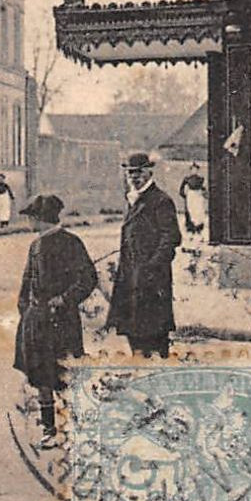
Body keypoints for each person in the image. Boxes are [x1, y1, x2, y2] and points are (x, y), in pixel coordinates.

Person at [12, 194, 98, 446]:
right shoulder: (35, 245)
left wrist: (64, 299)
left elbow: (87, 279)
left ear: (40, 219)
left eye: (31, 218)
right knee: (40, 375)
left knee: (64, 372)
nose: (29, 222)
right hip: (37, 321)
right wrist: (25, 310)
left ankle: (75, 427)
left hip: (62, 321)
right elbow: (27, 280)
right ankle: (49, 429)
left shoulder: (70, 243)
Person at [106, 152, 182, 358]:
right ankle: (141, 366)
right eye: (129, 173)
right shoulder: (133, 199)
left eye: (138, 172)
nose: (133, 177)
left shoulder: (160, 200)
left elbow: (171, 238)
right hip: (131, 276)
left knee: (154, 332)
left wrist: (151, 267)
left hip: (151, 278)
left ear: (149, 172)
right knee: (134, 330)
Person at [179, 162, 208, 242]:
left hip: (198, 197)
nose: (194, 171)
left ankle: (199, 232)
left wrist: (204, 194)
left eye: (196, 169)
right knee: (190, 213)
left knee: (199, 213)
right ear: (190, 170)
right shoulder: (187, 179)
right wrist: (185, 196)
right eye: (193, 169)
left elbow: (204, 189)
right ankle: (191, 232)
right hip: (191, 196)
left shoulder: (201, 179)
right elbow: (181, 190)